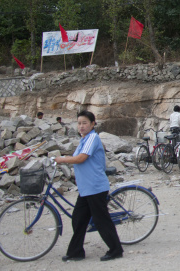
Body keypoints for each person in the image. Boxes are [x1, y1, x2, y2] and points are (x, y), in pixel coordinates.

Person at [54, 110, 123, 262]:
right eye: (79, 123)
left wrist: (62, 159)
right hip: (87, 188)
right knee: (78, 219)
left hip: (95, 186)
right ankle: (76, 252)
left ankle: (116, 249)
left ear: (92, 124)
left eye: (85, 123)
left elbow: (81, 158)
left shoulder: (92, 138)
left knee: (101, 220)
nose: (81, 126)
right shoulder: (84, 139)